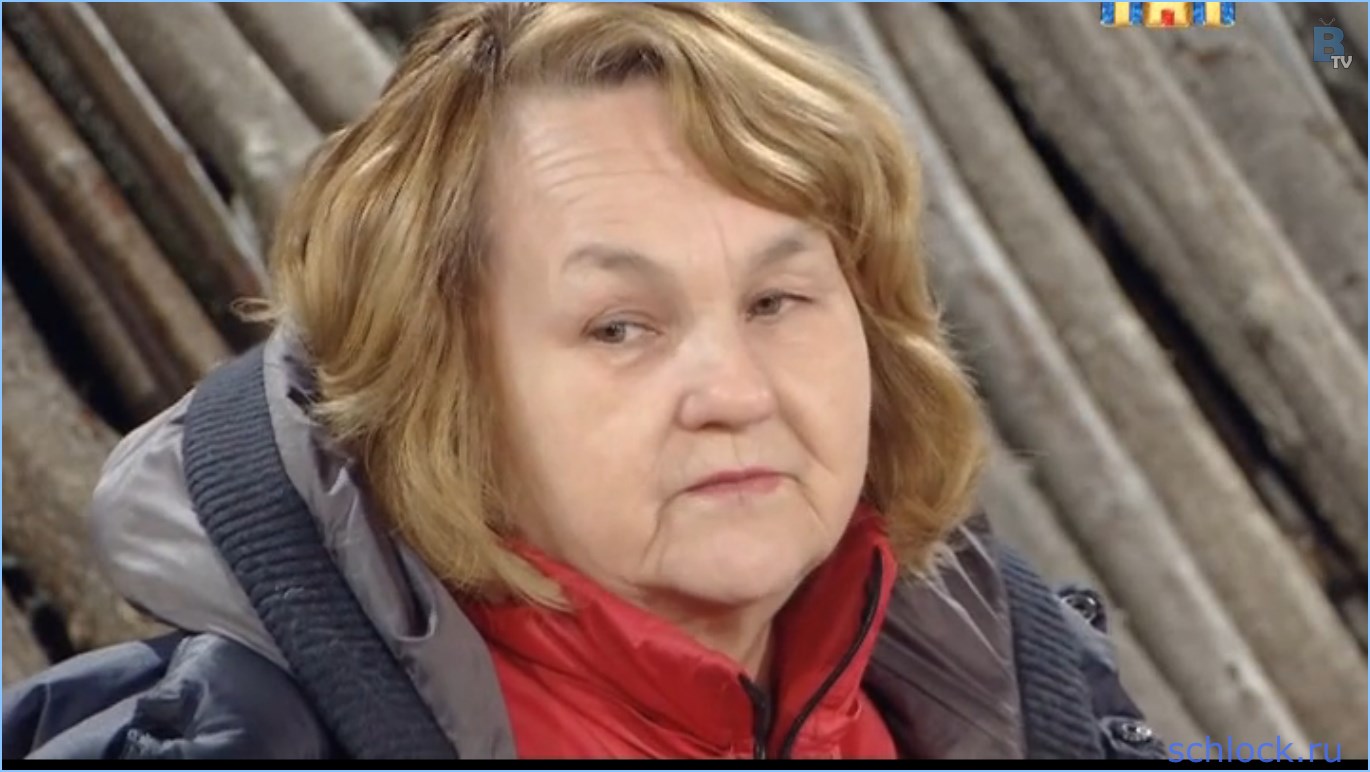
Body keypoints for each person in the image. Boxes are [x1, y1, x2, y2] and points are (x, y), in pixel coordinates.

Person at [3, 2, 1164, 760]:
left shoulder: (1020, 687)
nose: (733, 391)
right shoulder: (242, 745)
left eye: (776, 301)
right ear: (446, 389)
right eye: (619, 326)